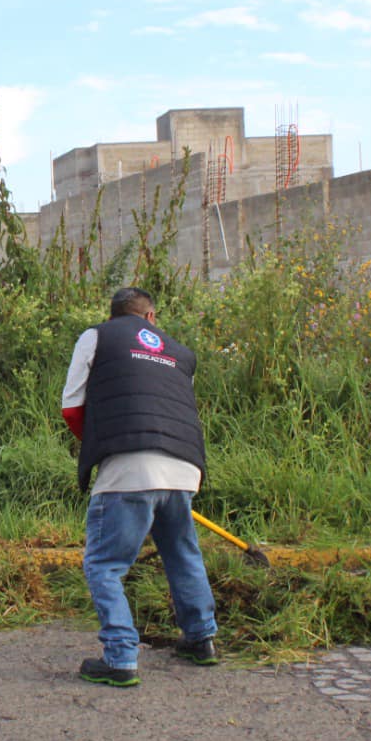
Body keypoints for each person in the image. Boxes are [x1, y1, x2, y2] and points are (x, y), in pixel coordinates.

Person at [60, 286, 219, 687]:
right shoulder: (181, 352)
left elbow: (72, 407)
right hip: (183, 468)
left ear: (113, 315)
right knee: (182, 552)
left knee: (104, 565)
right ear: (151, 317)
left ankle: (120, 658)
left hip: (129, 467)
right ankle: (202, 639)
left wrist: (102, 443)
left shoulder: (96, 336)